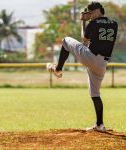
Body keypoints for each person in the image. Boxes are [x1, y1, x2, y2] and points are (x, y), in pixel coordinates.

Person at [46, 1, 118, 132]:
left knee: (65, 40)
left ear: (98, 11)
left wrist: (83, 22)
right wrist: (89, 20)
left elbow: (84, 40)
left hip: (91, 57)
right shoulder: (114, 24)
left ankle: (58, 69)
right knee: (95, 94)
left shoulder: (93, 23)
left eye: (91, 12)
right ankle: (100, 125)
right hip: (102, 64)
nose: (89, 15)